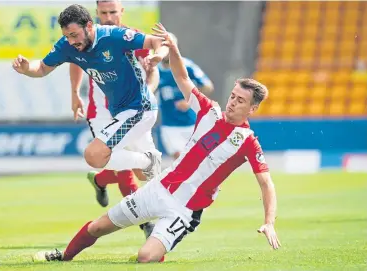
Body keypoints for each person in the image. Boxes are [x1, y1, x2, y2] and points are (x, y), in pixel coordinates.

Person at [32, 23, 281, 264]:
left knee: (145, 257)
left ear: (253, 108)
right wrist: (173, 48)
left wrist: (269, 221)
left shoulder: (247, 141)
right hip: (158, 188)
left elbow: (266, 183)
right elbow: (182, 77)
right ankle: (63, 256)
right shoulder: (210, 111)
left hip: (184, 210)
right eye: (233, 96)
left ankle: (157, 249)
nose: (233, 102)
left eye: (240, 100)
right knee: (98, 227)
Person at [12, 5, 168, 184]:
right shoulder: (68, 45)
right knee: (146, 176)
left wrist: (159, 55)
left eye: (74, 35)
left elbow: (157, 41)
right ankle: (171, 204)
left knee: (94, 155)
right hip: (121, 112)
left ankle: (149, 161)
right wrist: (26, 69)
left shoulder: (113, 36)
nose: (71, 41)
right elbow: (41, 68)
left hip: (140, 108)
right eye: (67, 36)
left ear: (88, 25)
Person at [68, 0, 158, 238]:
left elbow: (154, 68)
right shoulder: (86, 38)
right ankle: (146, 223)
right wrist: (75, 93)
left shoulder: (131, 37)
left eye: (113, 12)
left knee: (142, 172)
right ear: (96, 13)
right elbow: (74, 61)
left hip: (132, 108)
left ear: (122, 12)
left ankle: (100, 179)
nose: (108, 17)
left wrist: (148, 89)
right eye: (103, 13)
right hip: (102, 113)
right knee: (124, 165)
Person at [157, 32, 214, 160]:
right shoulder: (155, 70)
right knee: (179, 159)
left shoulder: (187, 65)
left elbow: (207, 85)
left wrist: (189, 100)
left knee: (198, 161)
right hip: (169, 124)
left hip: (191, 122)